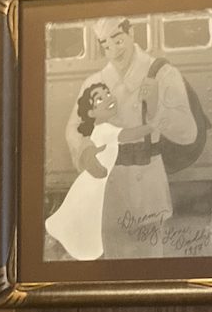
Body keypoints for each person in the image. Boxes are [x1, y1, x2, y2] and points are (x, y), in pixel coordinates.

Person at [65, 17, 197, 259]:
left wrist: (157, 108)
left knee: (150, 263)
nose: (114, 52)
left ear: (132, 33)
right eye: (106, 45)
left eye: (118, 40)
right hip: (108, 188)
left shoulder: (163, 73)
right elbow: (74, 127)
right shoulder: (95, 82)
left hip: (148, 186)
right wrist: (84, 150)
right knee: (114, 264)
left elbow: (188, 132)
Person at [46, 82, 156, 260]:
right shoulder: (105, 129)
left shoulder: (104, 128)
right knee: (88, 216)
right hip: (96, 184)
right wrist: (152, 126)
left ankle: (78, 249)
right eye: (99, 98)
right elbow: (129, 135)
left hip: (97, 182)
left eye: (107, 93)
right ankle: (79, 251)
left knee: (87, 217)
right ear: (91, 113)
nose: (108, 98)